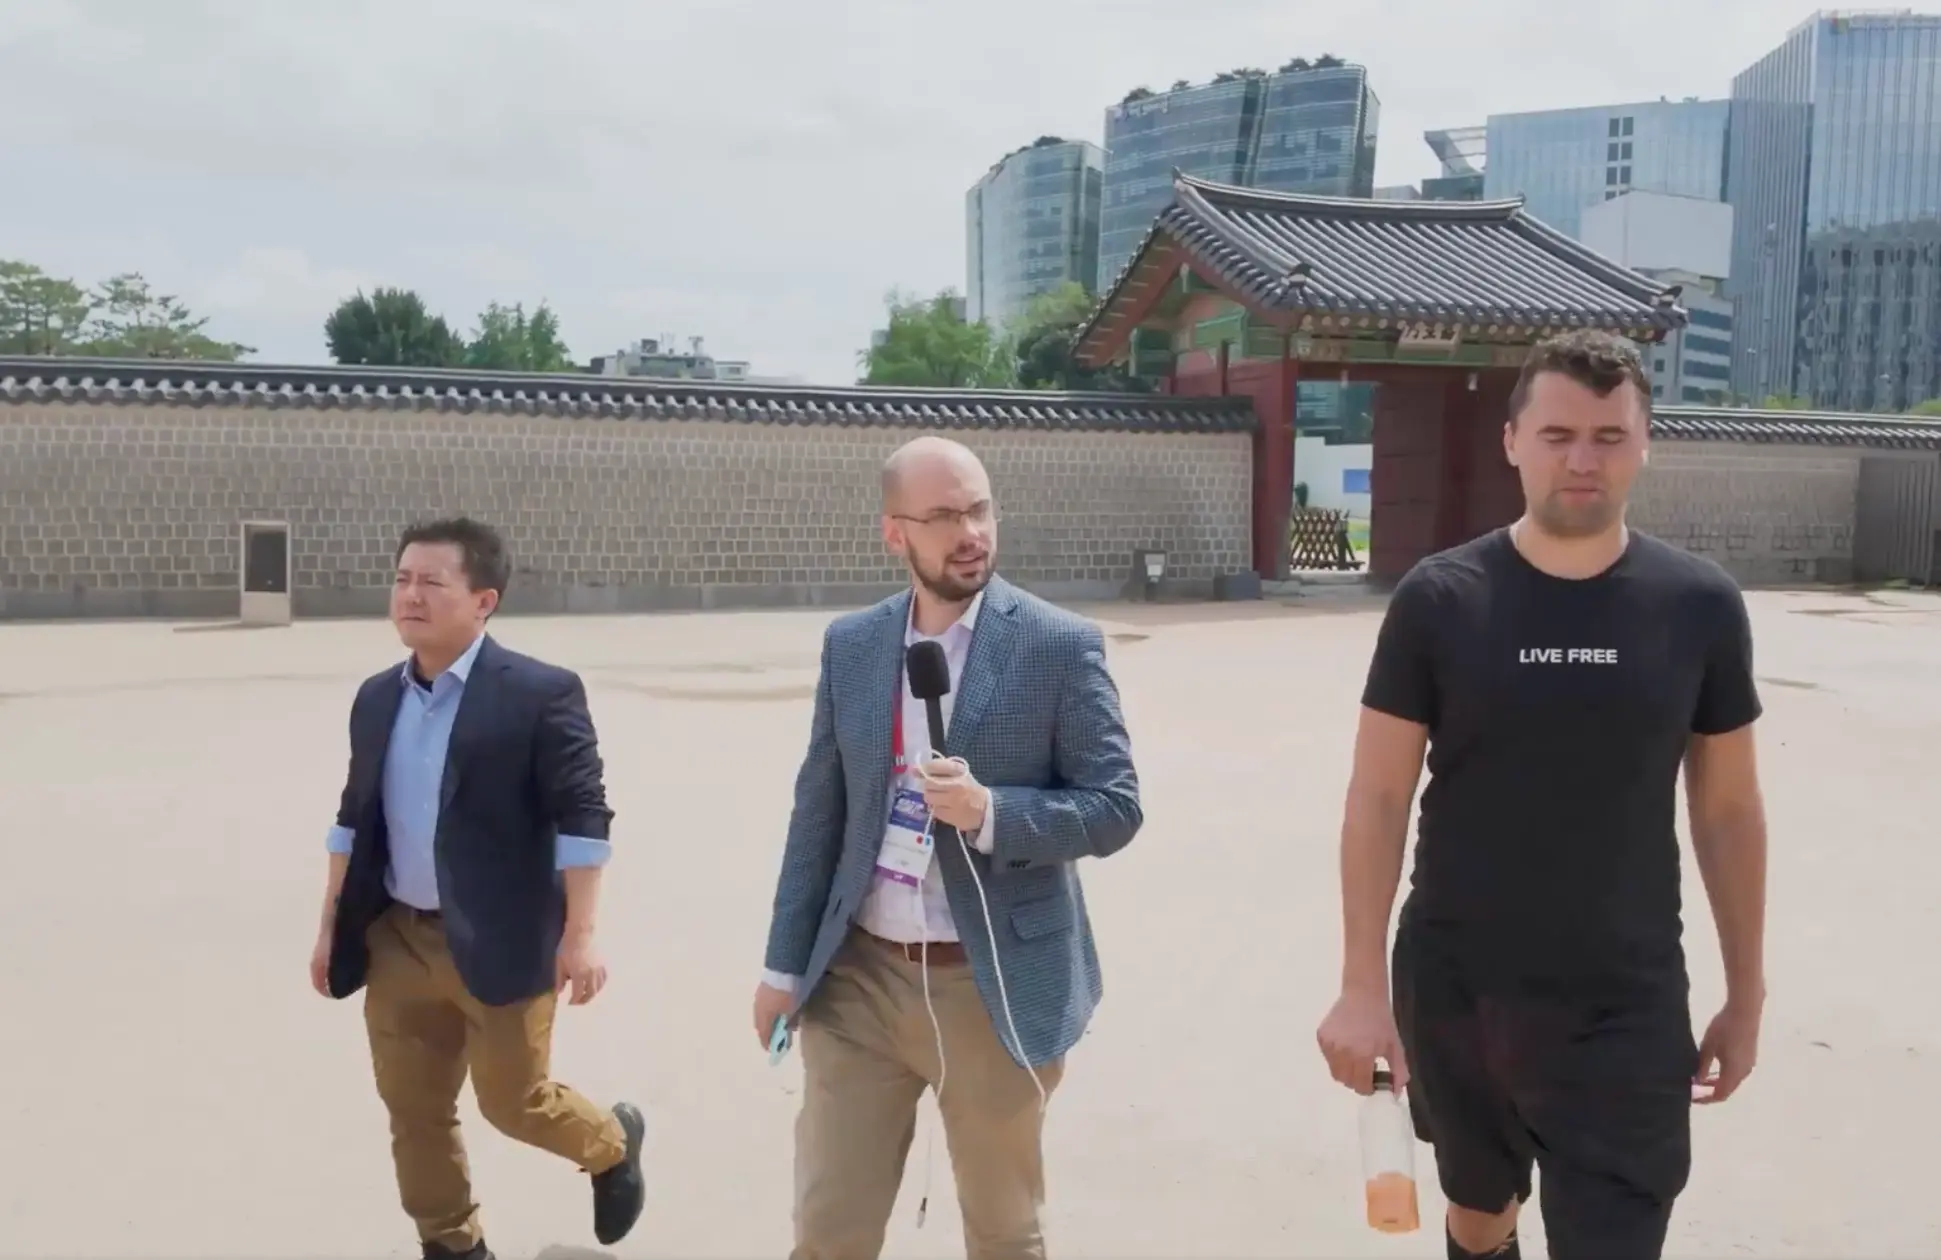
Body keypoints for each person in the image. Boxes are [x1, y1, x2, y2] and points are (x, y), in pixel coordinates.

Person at [1315, 331, 1769, 1260]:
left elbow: (1726, 811)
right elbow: (1376, 797)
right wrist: (1361, 988)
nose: (1582, 458)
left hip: (1624, 993)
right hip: (1457, 983)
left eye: (1609, 436)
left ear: (1644, 444)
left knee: (1613, 1234)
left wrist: (1746, 990)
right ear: (1512, 439)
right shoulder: (1440, 600)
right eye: (1558, 433)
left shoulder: (1698, 606)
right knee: (1479, 1215)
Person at [752, 436, 1143, 1260]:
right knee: (827, 1228)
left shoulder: (1056, 645)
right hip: (858, 978)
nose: (970, 532)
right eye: (943, 516)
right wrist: (784, 969)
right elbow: (817, 815)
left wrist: (990, 812)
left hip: (992, 982)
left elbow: (1113, 808)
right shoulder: (853, 646)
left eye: (979, 509)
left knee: (1004, 1233)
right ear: (895, 533)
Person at [309, 517, 647, 1260]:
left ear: (484, 600)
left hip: (502, 936)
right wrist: (332, 921)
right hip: (396, 934)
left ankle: (612, 1143)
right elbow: (351, 817)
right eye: (402, 579)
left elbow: (582, 816)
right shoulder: (375, 698)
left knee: (513, 1103)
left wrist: (580, 933)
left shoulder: (538, 693)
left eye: (432, 582)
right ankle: (452, 1242)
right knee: (413, 1108)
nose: (410, 596)